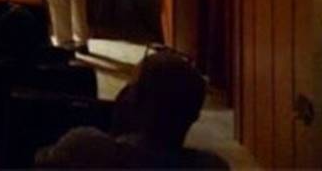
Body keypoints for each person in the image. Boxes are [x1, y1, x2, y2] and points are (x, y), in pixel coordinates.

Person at [36, 49, 226, 169]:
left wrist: (115, 135)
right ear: (194, 115)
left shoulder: (85, 149)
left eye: (130, 87)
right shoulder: (212, 166)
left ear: (132, 101)